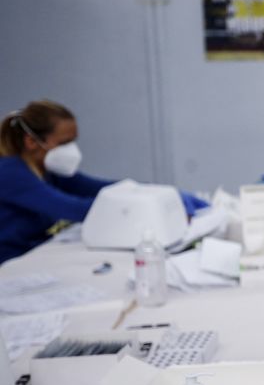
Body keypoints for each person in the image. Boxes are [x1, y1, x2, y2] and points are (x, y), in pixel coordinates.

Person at [0, 100, 207, 264]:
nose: (71, 150)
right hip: (9, 263)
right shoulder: (10, 173)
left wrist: (158, 194)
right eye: (64, 143)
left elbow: (103, 188)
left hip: (32, 254)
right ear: (31, 142)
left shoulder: (49, 170)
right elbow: (74, 209)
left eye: (73, 141)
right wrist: (145, 206)